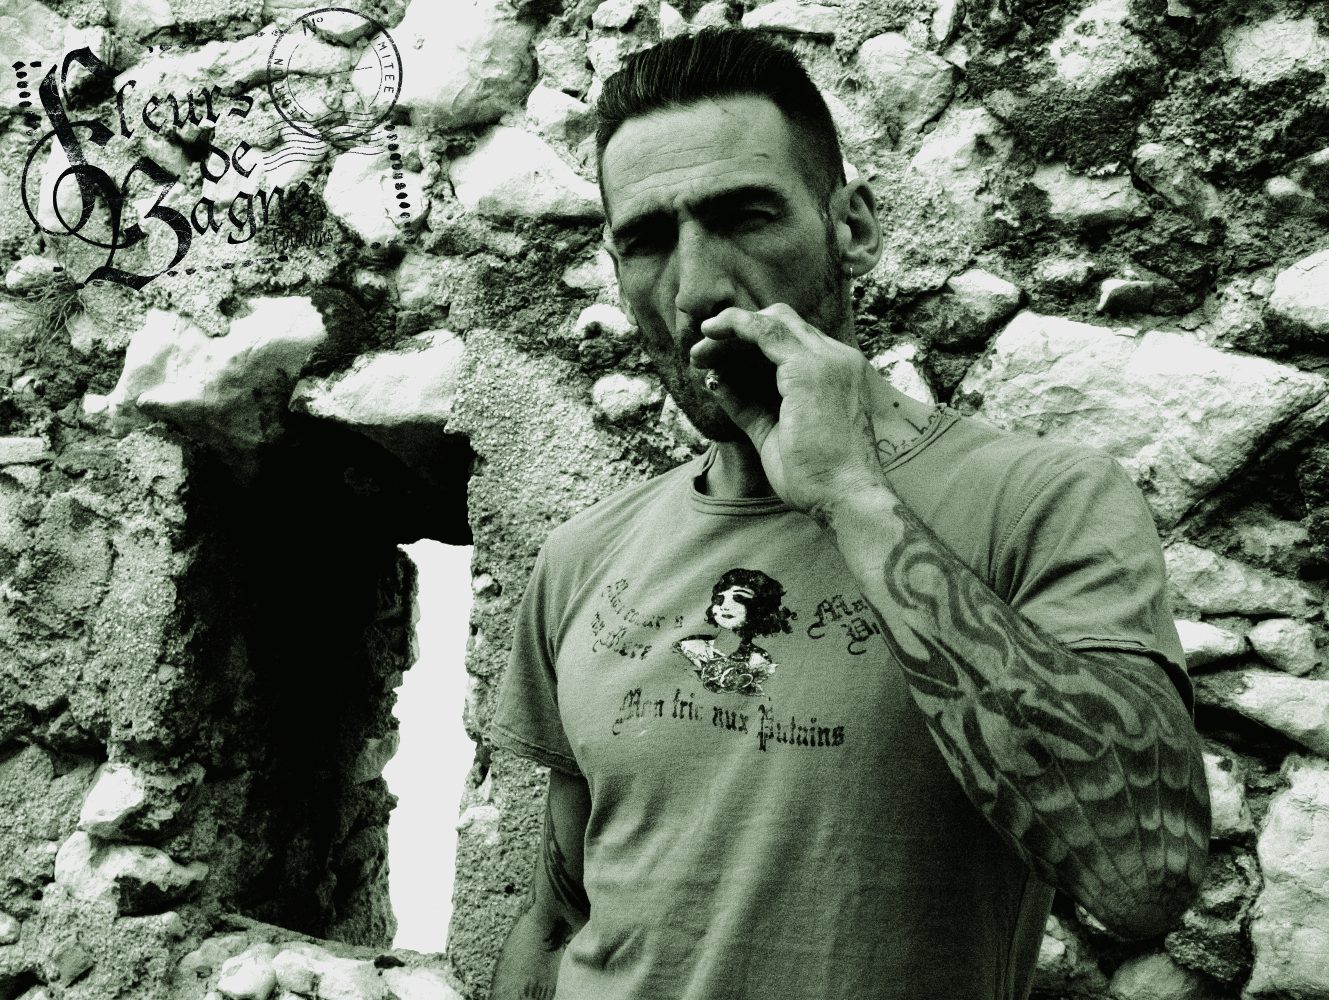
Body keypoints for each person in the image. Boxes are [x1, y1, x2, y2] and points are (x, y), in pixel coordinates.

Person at [487, 28, 1211, 1000]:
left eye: (745, 216)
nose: (697, 289)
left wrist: (851, 495)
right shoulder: (584, 554)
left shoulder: (1040, 503)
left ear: (853, 228)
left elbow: (1139, 879)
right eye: (647, 241)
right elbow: (559, 917)